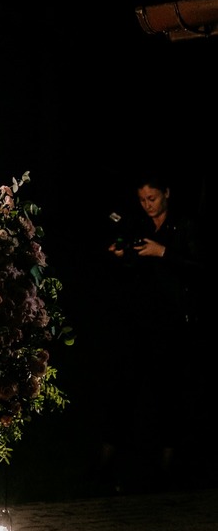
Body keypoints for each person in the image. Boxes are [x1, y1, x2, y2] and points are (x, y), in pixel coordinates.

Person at [99, 172, 200, 491]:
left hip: (172, 323)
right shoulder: (137, 223)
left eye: (152, 198)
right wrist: (121, 255)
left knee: (170, 393)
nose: (147, 205)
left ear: (166, 193)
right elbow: (130, 267)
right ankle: (105, 464)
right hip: (138, 320)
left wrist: (164, 252)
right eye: (142, 200)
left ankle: (168, 466)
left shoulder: (184, 225)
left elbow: (196, 267)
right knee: (123, 389)